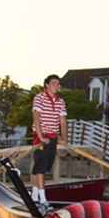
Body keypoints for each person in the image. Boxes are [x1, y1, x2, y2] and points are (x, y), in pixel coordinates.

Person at [31, 74, 67, 206]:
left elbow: (63, 122)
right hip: (40, 135)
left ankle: (34, 195)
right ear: (47, 85)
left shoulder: (60, 101)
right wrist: (40, 136)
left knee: (44, 166)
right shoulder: (39, 98)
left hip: (53, 136)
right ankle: (43, 198)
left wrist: (64, 139)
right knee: (40, 166)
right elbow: (37, 117)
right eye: (54, 83)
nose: (57, 86)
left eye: (58, 83)